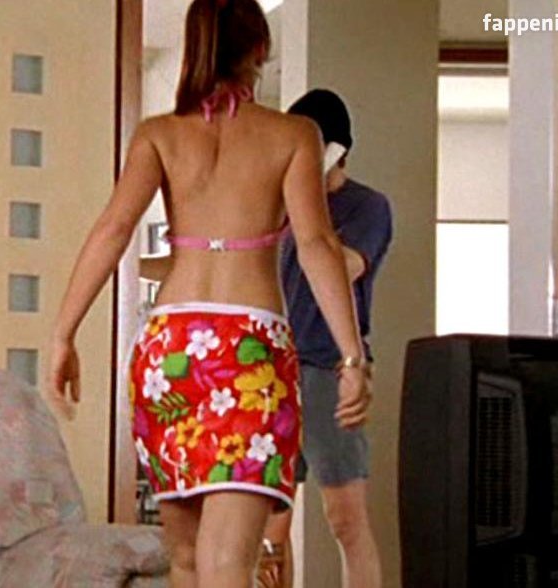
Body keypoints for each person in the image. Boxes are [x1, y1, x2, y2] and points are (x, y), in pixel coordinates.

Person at [47, 1, 370, 586]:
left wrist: (62, 334)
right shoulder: (295, 135)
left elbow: (112, 230)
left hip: (169, 352)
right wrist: (351, 357)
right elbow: (317, 245)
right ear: (260, 49)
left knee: (188, 560)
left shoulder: (159, 134)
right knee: (229, 564)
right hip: (249, 353)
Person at [263, 89, 392, 588]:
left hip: (328, 369)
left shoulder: (367, 207)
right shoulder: (278, 210)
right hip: (273, 369)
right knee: (271, 524)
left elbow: (346, 266)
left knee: (345, 518)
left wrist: (309, 209)